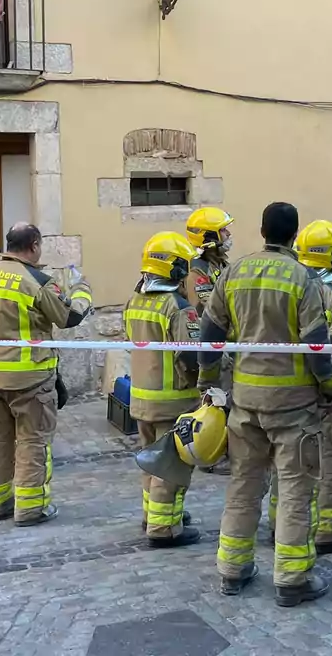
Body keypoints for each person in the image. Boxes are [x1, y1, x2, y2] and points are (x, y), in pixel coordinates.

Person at [199, 202, 332, 607]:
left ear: (262, 230)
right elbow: (317, 348)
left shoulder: (233, 272)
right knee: (297, 490)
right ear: (294, 235)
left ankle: (232, 569)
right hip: (293, 407)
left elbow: (210, 334)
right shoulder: (305, 279)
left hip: (245, 404)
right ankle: (292, 579)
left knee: (244, 485)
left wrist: (207, 382)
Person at [0, 223, 92, 526]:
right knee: (32, 441)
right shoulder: (36, 280)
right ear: (35, 245)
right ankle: (30, 509)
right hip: (30, 380)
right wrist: (81, 289)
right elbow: (69, 317)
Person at [267, 221, 332, 554]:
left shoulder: (287, 287)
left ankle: (279, 524)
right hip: (331, 394)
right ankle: (326, 532)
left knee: (289, 462)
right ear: (331, 256)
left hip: (293, 391)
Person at [125, 231, 203, 547]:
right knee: (171, 465)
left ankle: (153, 513)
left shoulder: (134, 300)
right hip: (173, 400)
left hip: (142, 396)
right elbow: (189, 355)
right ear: (174, 268)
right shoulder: (178, 307)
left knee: (150, 459)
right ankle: (163, 528)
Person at [184, 206, 235, 475]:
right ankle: (212, 455)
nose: (228, 235)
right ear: (209, 237)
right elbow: (205, 308)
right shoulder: (198, 270)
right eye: (224, 230)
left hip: (227, 342)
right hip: (212, 345)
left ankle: (223, 449)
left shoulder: (221, 264)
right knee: (216, 402)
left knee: (227, 400)